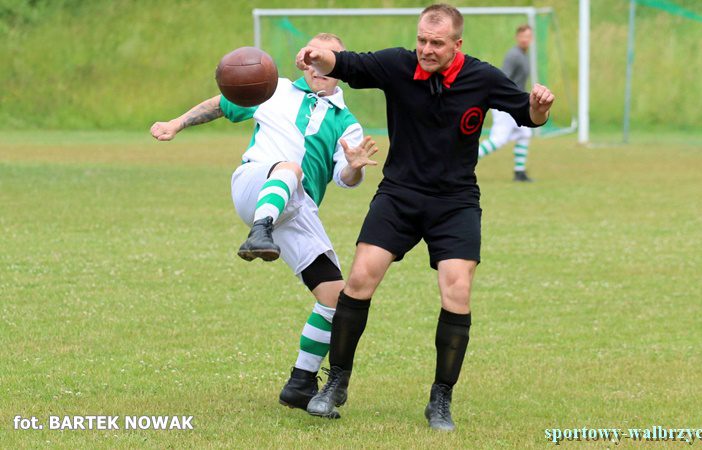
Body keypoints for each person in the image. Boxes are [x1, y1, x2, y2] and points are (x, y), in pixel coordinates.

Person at [295, 4, 554, 431]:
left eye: (436, 43)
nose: (426, 49)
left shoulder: (482, 77)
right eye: (421, 40)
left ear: (457, 44)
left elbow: (528, 115)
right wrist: (318, 57)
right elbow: (350, 64)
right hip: (399, 195)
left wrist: (540, 105)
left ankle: (440, 401)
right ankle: (335, 383)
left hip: (455, 202)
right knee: (359, 278)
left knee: (458, 289)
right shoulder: (398, 64)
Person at [150, 33, 378, 411]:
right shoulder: (273, 90)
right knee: (289, 167)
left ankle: (301, 383)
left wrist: (354, 168)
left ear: (340, 65)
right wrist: (177, 123)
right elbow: (223, 104)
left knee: (336, 298)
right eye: (312, 58)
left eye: (330, 58)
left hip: (297, 208)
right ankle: (259, 231)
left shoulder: (347, 123)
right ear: (303, 62)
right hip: (255, 185)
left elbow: (346, 180)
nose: (318, 66)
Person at [478, 24, 536, 182]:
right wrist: (506, 102)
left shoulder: (524, 55)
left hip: (514, 103)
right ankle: (462, 161)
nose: (526, 39)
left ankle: (519, 172)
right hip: (506, 104)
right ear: (517, 38)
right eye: (523, 36)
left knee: (525, 133)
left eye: (528, 36)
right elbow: (504, 79)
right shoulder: (514, 56)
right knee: (498, 140)